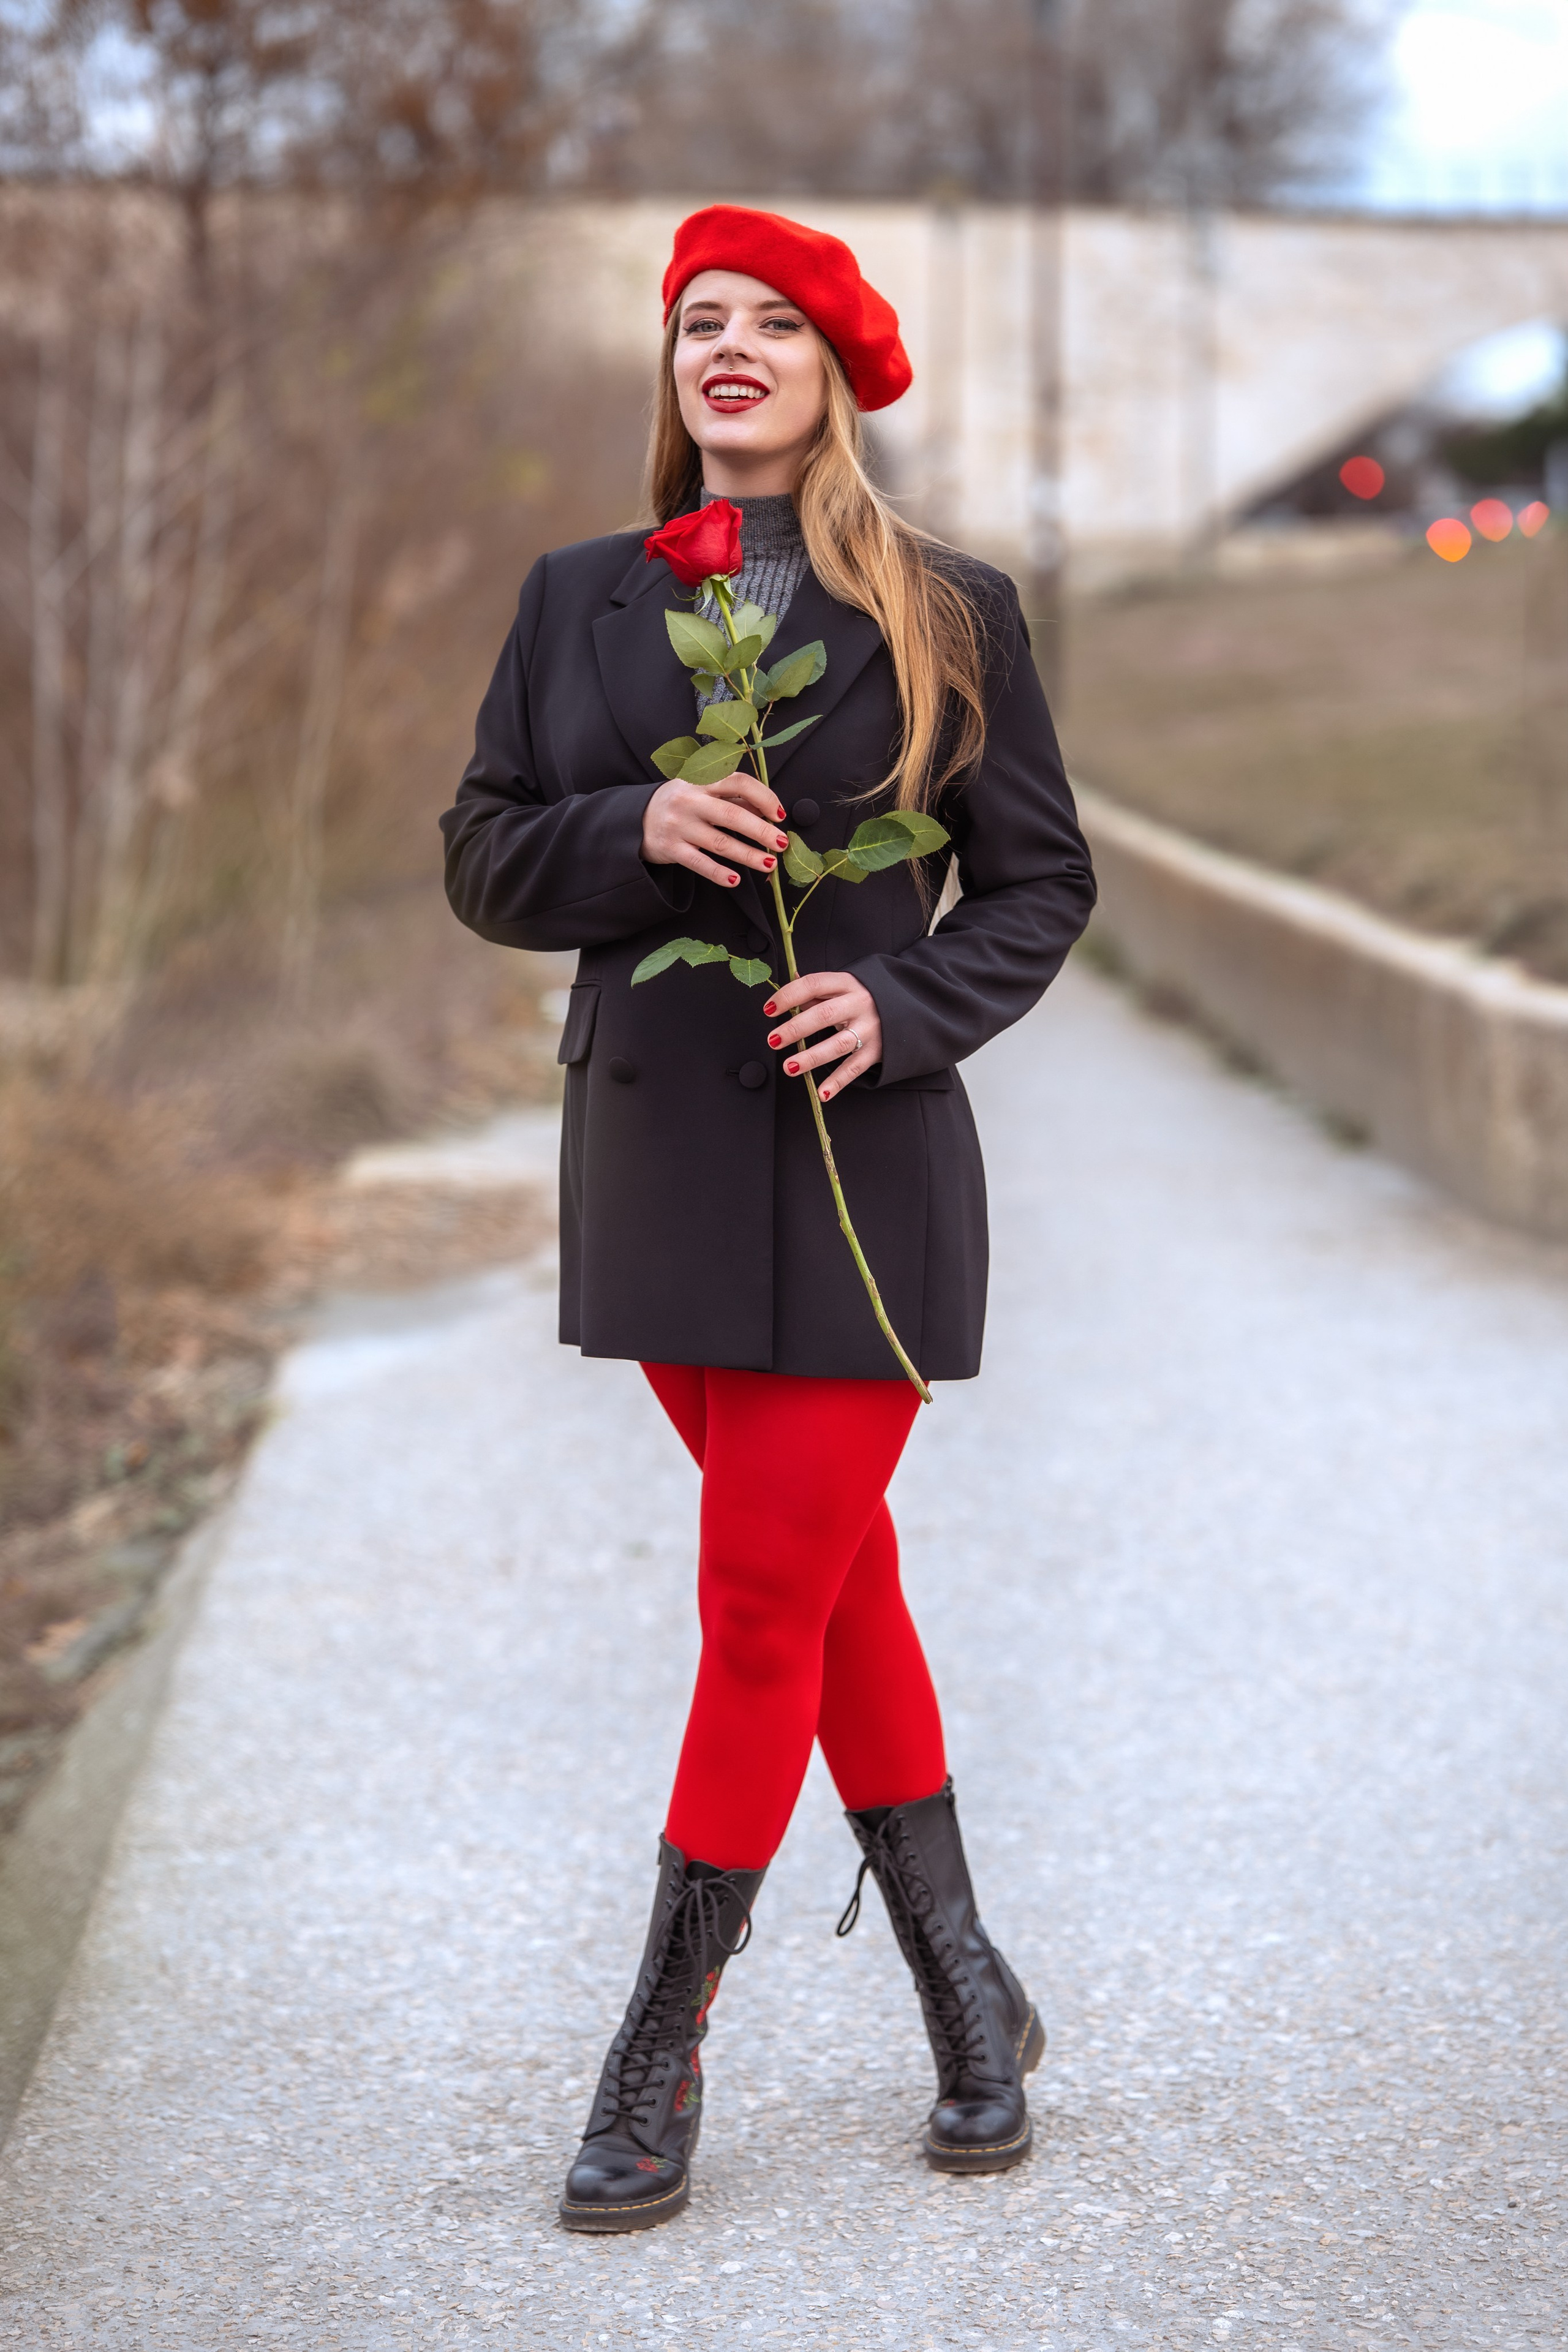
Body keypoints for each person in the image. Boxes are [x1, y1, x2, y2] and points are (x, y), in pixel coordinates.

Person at [440, 203, 1096, 2233]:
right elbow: (481, 855)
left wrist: (906, 1005)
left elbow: (1039, 884)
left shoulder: (951, 610)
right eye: (696, 322)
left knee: (754, 1601)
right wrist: (630, 826)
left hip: (863, 1158)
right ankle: (969, 1990)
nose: (726, 347)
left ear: (835, 367)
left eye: (771, 323)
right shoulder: (577, 599)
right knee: (825, 1584)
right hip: (655, 1162)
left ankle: (658, 2052)